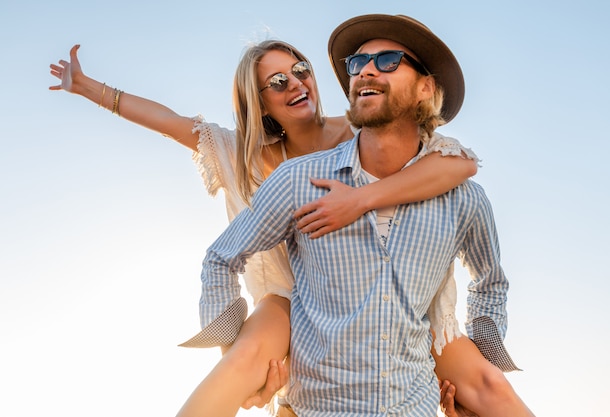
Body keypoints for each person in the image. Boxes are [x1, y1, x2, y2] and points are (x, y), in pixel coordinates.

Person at [49, 39, 477, 416]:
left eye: (300, 71)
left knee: (484, 387)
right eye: (277, 82)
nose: (295, 84)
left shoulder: (361, 132)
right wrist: (88, 88)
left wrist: (361, 199)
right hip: (289, 301)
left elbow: (459, 164)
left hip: (373, 297)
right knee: (243, 363)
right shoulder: (241, 153)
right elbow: (167, 120)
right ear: (259, 102)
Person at [195, 13, 536, 417]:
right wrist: (232, 353)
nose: (366, 70)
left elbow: (491, 281)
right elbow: (221, 257)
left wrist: (480, 363)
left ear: (426, 88)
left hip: (416, 405)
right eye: (357, 63)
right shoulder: (298, 180)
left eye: (388, 61)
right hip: (315, 404)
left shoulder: (462, 198)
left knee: (497, 393)